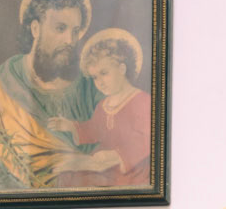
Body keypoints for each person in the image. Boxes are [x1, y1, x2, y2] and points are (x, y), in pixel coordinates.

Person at [0, 0, 118, 192]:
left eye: (75, 31)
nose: (70, 40)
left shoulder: (93, 86)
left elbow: (120, 150)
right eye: (60, 28)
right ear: (35, 29)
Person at [49, 29, 151, 189]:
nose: (100, 82)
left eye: (104, 73)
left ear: (122, 69)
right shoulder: (103, 105)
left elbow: (147, 139)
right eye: (95, 77)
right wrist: (71, 126)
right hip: (104, 166)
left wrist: (116, 156)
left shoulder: (142, 101)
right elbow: (93, 130)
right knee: (68, 175)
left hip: (132, 171)